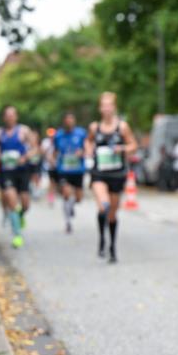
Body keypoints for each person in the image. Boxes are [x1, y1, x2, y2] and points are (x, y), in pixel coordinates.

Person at [85, 92, 136, 263]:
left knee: (112, 214)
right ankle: (101, 240)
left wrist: (121, 149)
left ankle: (111, 246)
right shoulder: (94, 127)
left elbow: (133, 145)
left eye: (109, 105)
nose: (106, 109)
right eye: (103, 105)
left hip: (117, 173)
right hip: (99, 173)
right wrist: (88, 149)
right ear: (100, 108)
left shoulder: (122, 127)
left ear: (114, 107)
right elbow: (88, 141)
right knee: (103, 205)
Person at [0, 106, 36, 248]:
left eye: (12, 115)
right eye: (7, 115)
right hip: (7, 171)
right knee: (12, 200)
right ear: (4, 117)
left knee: (25, 205)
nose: (10, 117)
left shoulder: (24, 131)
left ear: (16, 117)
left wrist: (25, 157)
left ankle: (20, 215)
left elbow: (35, 148)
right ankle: (17, 235)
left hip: (22, 171)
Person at [53, 113, 87, 234]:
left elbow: (87, 147)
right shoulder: (58, 135)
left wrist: (82, 152)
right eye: (67, 120)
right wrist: (53, 159)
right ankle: (68, 222)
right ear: (64, 122)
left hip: (78, 169)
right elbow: (55, 151)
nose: (69, 122)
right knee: (66, 194)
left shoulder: (81, 133)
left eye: (71, 119)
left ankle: (71, 206)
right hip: (63, 169)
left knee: (78, 198)